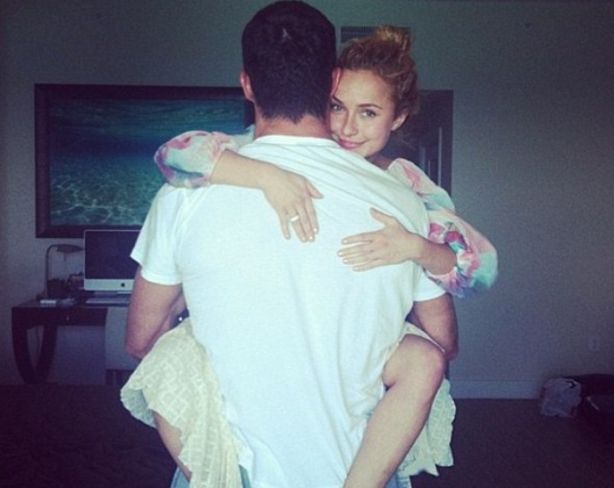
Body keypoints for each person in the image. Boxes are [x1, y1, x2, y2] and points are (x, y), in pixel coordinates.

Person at [124, 9, 493, 488]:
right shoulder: (404, 202)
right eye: (344, 107)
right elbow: (444, 342)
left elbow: (141, 342)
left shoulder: (188, 192)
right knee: (424, 359)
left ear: (247, 84)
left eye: (369, 113)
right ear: (332, 81)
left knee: (171, 352)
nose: (351, 126)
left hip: (234, 463)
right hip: (356, 461)